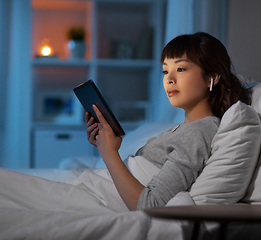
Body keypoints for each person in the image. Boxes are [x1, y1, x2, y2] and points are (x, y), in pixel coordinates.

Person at [85, 32, 250, 211]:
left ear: (212, 77)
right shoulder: (188, 129)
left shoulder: (198, 132)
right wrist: (106, 144)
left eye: (180, 69)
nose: (169, 79)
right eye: (165, 71)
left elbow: (150, 205)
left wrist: (109, 153)